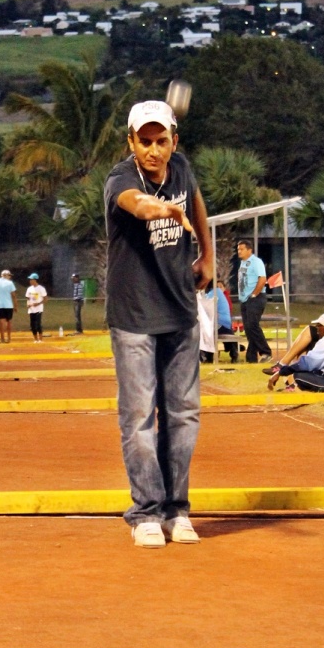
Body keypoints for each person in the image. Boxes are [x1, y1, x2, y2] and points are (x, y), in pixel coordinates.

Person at [104, 99, 213, 548]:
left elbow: (199, 204)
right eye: (144, 141)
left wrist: (208, 254)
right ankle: (145, 512)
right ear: (131, 142)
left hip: (180, 312)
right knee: (138, 417)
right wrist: (164, 210)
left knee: (183, 415)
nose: (153, 150)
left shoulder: (182, 168)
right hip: (133, 318)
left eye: (161, 141)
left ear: (174, 142)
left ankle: (176, 509)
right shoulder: (120, 179)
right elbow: (136, 204)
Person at [236, 240, 271, 364]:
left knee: (252, 325)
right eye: (238, 249)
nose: (239, 251)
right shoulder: (243, 263)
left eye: (241, 249)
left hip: (255, 298)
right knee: (248, 328)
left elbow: (262, 278)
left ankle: (266, 352)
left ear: (249, 250)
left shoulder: (256, 262)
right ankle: (251, 358)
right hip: (245, 299)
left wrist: (254, 293)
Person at [25, 273, 47, 341]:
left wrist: (38, 303)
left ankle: (40, 339)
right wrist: (28, 303)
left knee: (38, 324)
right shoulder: (29, 289)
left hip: (38, 309)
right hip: (31, 309)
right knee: (32, 325)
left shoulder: (41, 288)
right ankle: (35, 339)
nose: (30, 281)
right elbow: (28, 298)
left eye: (31, 279)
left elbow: (45, 299)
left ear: (35, 280)